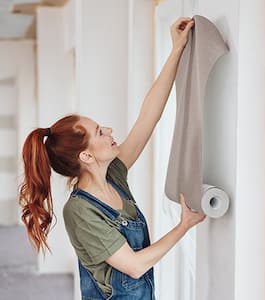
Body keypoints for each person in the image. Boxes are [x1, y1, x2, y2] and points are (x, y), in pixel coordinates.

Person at [18, 17, 206, 300]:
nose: (109, 131)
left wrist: (177, 49)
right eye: (99, 132)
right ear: (86, 155)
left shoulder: (113, 175)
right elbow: (134, 266)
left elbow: (148, 118)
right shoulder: (79, 212)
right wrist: (184, 225)